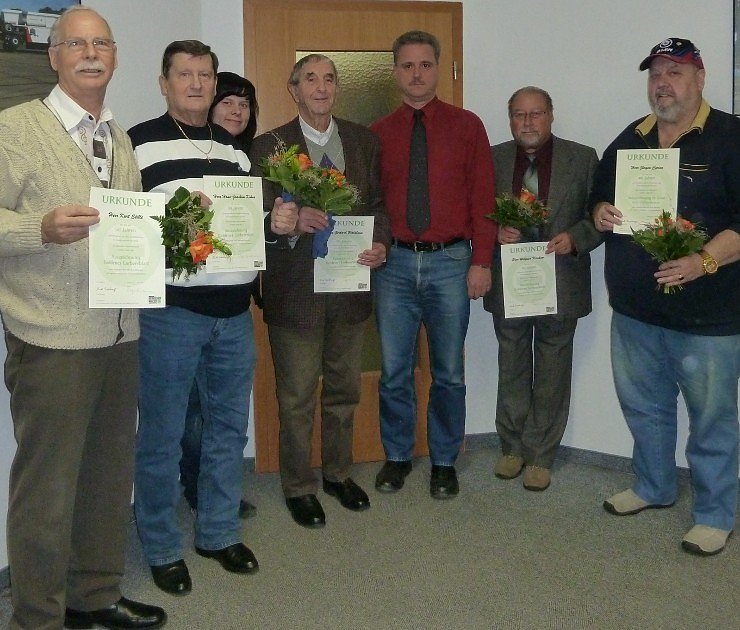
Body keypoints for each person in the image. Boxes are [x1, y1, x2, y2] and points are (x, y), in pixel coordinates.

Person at [0, 6, 166, 629]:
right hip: (52, 338)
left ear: (115, 56)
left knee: (106, 477)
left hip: (120, 333)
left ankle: (92, 596)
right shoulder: (15, 128)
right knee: (46, 491)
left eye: (102, 43)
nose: (91, 53)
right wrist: (38, 229)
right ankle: (37, 618)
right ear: (53, 56)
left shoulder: (116, 137)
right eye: (76, 43)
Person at [129, 40, 297, 595]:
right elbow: (123, 231)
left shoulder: (235, 153)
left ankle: (219, 533)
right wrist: (174, 218)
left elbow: (245, 234)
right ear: (164, 83)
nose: (197, 84)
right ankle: (160, 546)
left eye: (205, 75)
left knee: (227, 429)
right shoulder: (137, 145)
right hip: (172, 316)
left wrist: (275, 225)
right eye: (185, 74)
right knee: (162, 434)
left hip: (234, 315)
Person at [590, 38, 740, 555]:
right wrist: (599, 212)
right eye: (656, 74)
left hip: (708, 317)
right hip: (635, 310)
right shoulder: (631, 137)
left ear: (700, 78)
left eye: (675, 72)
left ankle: (715, 514)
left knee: (712, 420)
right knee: (645, 407)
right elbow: (598, 195)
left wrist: (703, 262)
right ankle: (654, 486)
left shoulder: (731, 137)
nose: (662, 83)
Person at [250, 54, 391, 528]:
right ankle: (298, 486)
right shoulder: (269, 147)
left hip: (350, 286)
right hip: (296, 292)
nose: (321, 87)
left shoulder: (363, 141)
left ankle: (338, 474)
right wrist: (292, 224)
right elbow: (259, 219)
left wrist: (381, 243)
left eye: (329, 79)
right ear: (294, 89)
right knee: (296, 398)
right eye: (310, 78)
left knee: (344, 392)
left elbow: (378, 205)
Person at [371, 31, 496, 499]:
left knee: (448, 372)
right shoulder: (377, 133)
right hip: (395, 265)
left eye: (425, 64)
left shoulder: (468, 126)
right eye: (407, 65)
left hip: (451, 262)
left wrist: (481, 261)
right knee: (394, 372)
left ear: (438, 69)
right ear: (395, 72)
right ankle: (397, 456)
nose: (416, 74)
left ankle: (444, 461)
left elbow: (484, 198)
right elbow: (371, 203)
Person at [484, 87, 601, 491]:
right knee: (511, 363)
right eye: (519, 115)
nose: (528, 122)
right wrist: (494, 231)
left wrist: (575, 238)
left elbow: (599, 216)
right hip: (510, 282)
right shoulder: (492, 158)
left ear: (551, 115)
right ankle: (512, 447)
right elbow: (475, 211)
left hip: (561, 279)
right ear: (510, 120)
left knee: (553, 368)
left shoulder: (582, 158)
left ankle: (541, 454)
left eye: (536, 114)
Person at [179, 71, 260, 520]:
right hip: (186, 309)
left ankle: (216, 497)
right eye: (227, 101)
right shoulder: (187, 156)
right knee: (193, 413)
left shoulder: (249, 161)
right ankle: (195, 489)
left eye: (244, 104)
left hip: (235, 307)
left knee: (225, 417)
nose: (236, 111)